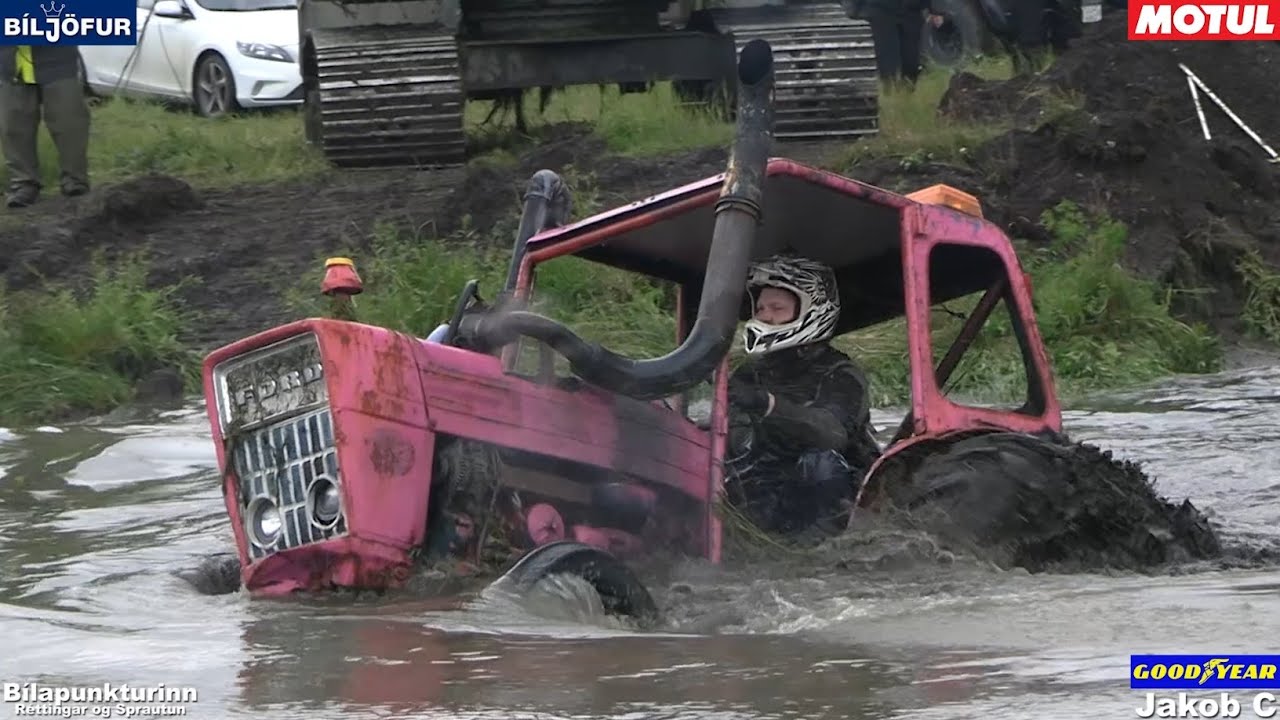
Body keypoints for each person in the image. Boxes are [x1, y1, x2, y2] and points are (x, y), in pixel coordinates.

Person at [723, 255, 882, 540]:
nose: (765, 316)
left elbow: (830, 432)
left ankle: (824, 558)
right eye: (760, 308)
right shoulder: (748, 375)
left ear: (810, 311)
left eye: (777, 308)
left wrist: (767, 404)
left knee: (819, 463)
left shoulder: (841, 373)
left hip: (837, 493)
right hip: (768, 491)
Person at [0, 45, 91, 208]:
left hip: (58, 60)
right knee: (14, 126)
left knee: (69, 121)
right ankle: (24, 184)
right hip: (12, 64)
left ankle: (75, 179)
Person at [849, 0, 945, 89]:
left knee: (911, 59)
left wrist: (936, 10)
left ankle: (906, 95)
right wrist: (856, 6)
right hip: (881, 9)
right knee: (888, 60)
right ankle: (890, 95)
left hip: (912, 10)